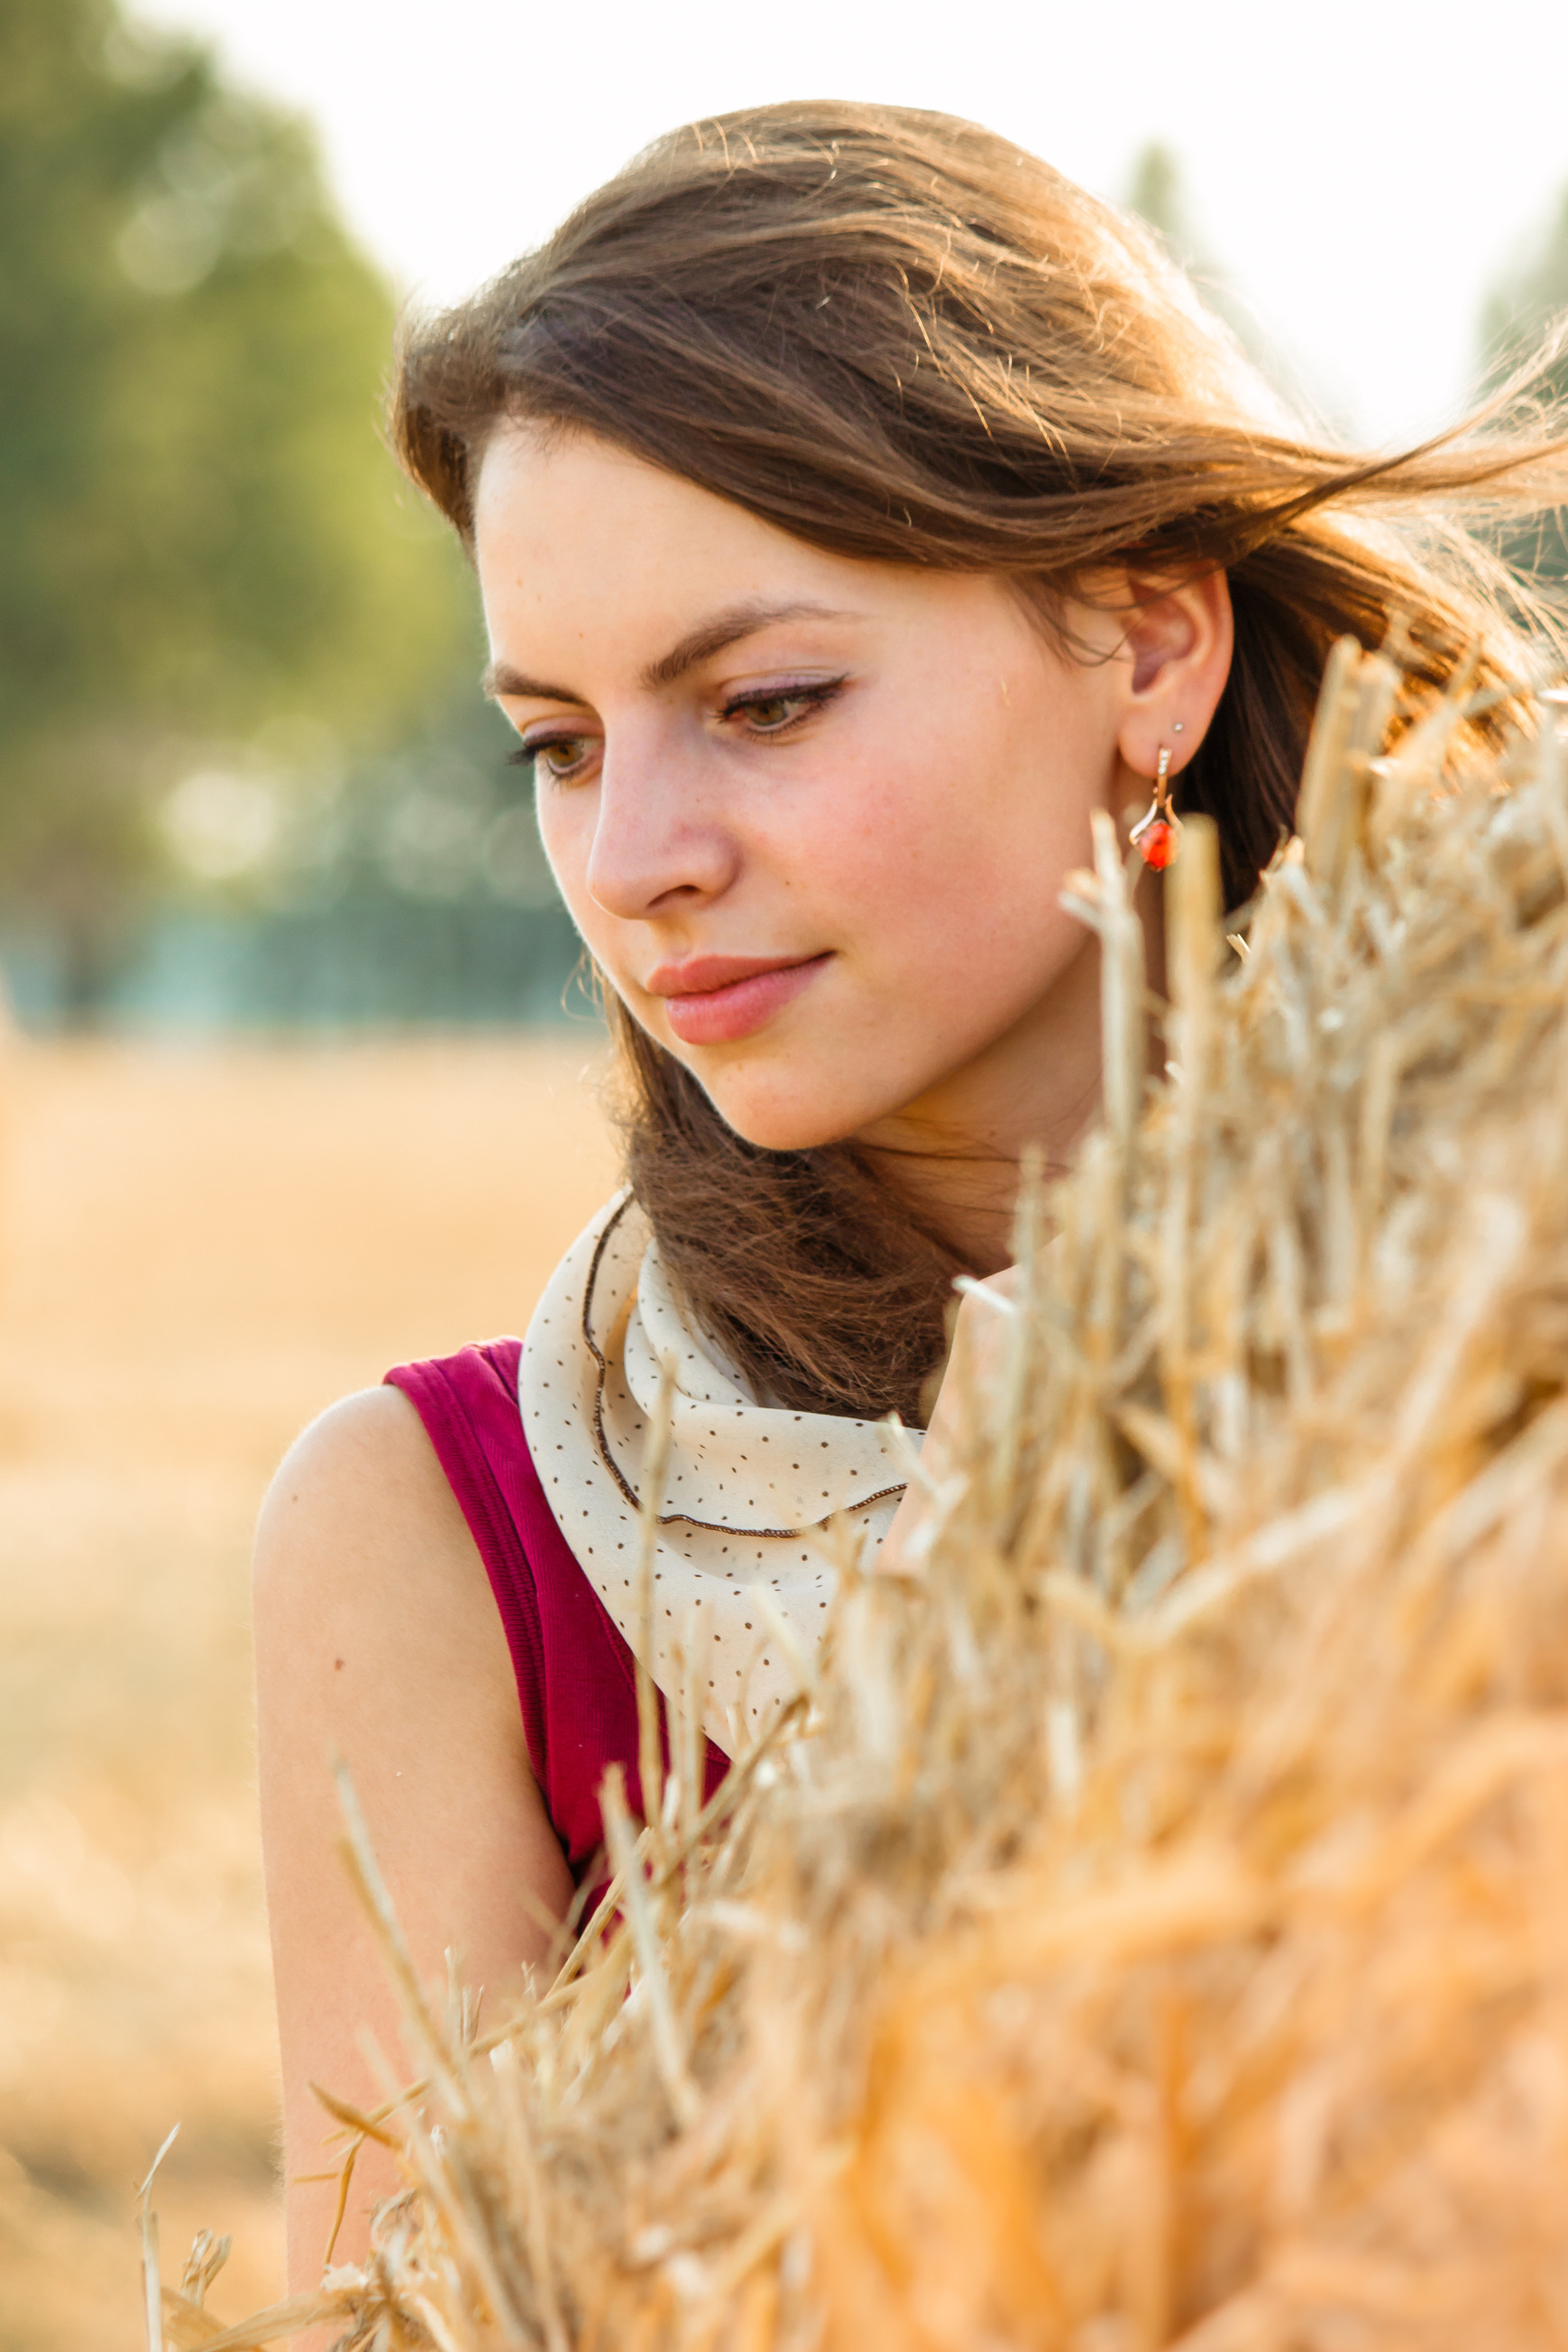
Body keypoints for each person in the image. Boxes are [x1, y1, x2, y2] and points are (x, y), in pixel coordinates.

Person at [254, 100, 1566, 2299]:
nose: (635, 853)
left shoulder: (1503, 1345)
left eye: (763, 702)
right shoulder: (441, 1538)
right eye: (559, 744)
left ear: (1149, 648)